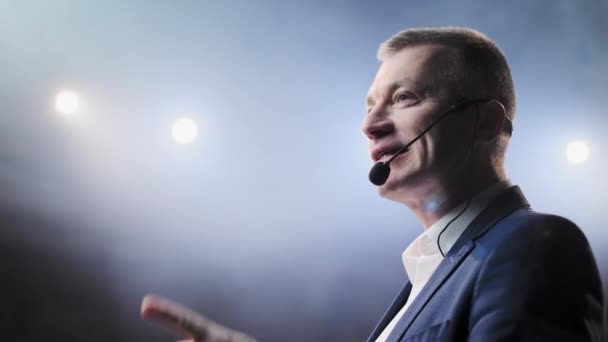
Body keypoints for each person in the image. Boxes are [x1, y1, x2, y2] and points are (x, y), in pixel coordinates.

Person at [141, 27, 606, 341]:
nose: (370, 124)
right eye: (369, 105)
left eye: (404, 97)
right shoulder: (424, 281)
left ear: (485, 122)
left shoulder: (534, 243)